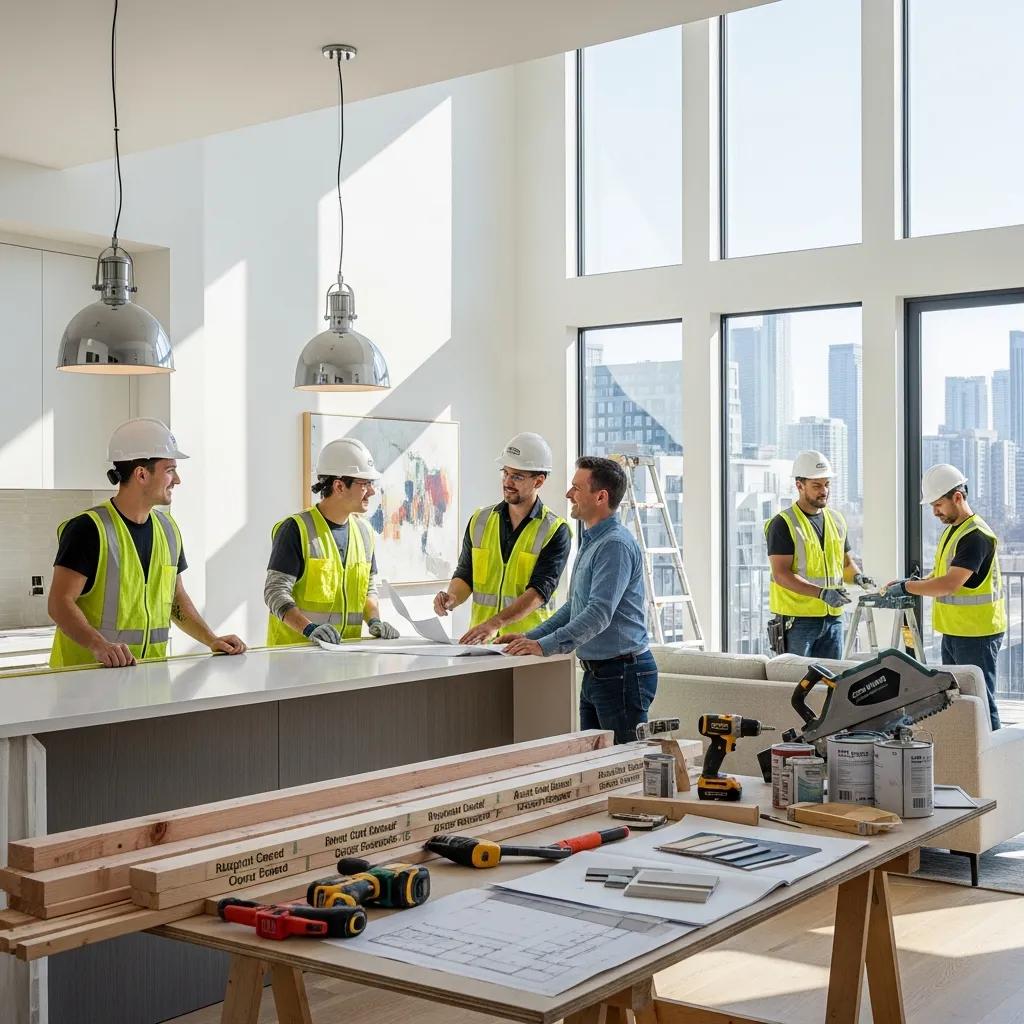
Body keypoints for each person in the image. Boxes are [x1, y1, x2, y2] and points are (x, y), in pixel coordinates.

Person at [49, 418, 246, 668]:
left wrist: (211, 639)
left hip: (147, 677)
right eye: (170, 470)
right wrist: (98, 645)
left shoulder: (168, 529)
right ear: (141, 474)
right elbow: (59, 603)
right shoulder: (89, 529)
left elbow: (175, 597)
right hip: (85, 680)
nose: (177, 480)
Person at [503, 456, 654, 743]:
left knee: (623, 770)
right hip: (598, 674)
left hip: (621, 675)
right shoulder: (592, 541)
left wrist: (544, 646)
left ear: (600, 497)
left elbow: (598, 614)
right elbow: (576, 607)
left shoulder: (615, 546)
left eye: (576, 488)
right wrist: (528, 638)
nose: (568, 494)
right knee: (595, 767)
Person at [886, 464, 1005, 731]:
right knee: (957, 700)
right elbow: (941, 575)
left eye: (938, 504)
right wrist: (912, 583)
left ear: (958, 497)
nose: (935, 511)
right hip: (955, 631)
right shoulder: (954, 530)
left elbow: (950, 584)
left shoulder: (975, 536)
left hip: (977, 634)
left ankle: (992, 765)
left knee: (981, 702)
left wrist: (907, 590)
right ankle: (967, 759)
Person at [434, 432, 571, 644]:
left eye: (517, 476)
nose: (507, 481)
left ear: (539, 481)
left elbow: (539, 592)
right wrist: (452, 597)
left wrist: (495, 623)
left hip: (526, 645)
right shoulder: (480, 521)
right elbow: (465, 573)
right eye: (505, 473)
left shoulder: (555, 530)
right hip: (482, 644)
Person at [264, 438, 399, 646]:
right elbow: (275, 592)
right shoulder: (295, 529)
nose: (372, 491)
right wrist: (309, 629)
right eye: (365, 484)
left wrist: (374, 620)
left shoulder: (364, 532)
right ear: (339, 486)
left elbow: (368, 588)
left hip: (347, 656)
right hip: (295, 659)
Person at [764, 450, 871, 660]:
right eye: (817, 486)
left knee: (832, 683)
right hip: (798, 621)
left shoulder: (837, 520)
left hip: (833, 618)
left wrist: (858, 577)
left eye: (827, 484)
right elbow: (781, 574)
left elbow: (846, 564)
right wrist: (821, 593)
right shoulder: (783, 524)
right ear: (799, 485)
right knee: (796, 681)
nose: (824, 491)